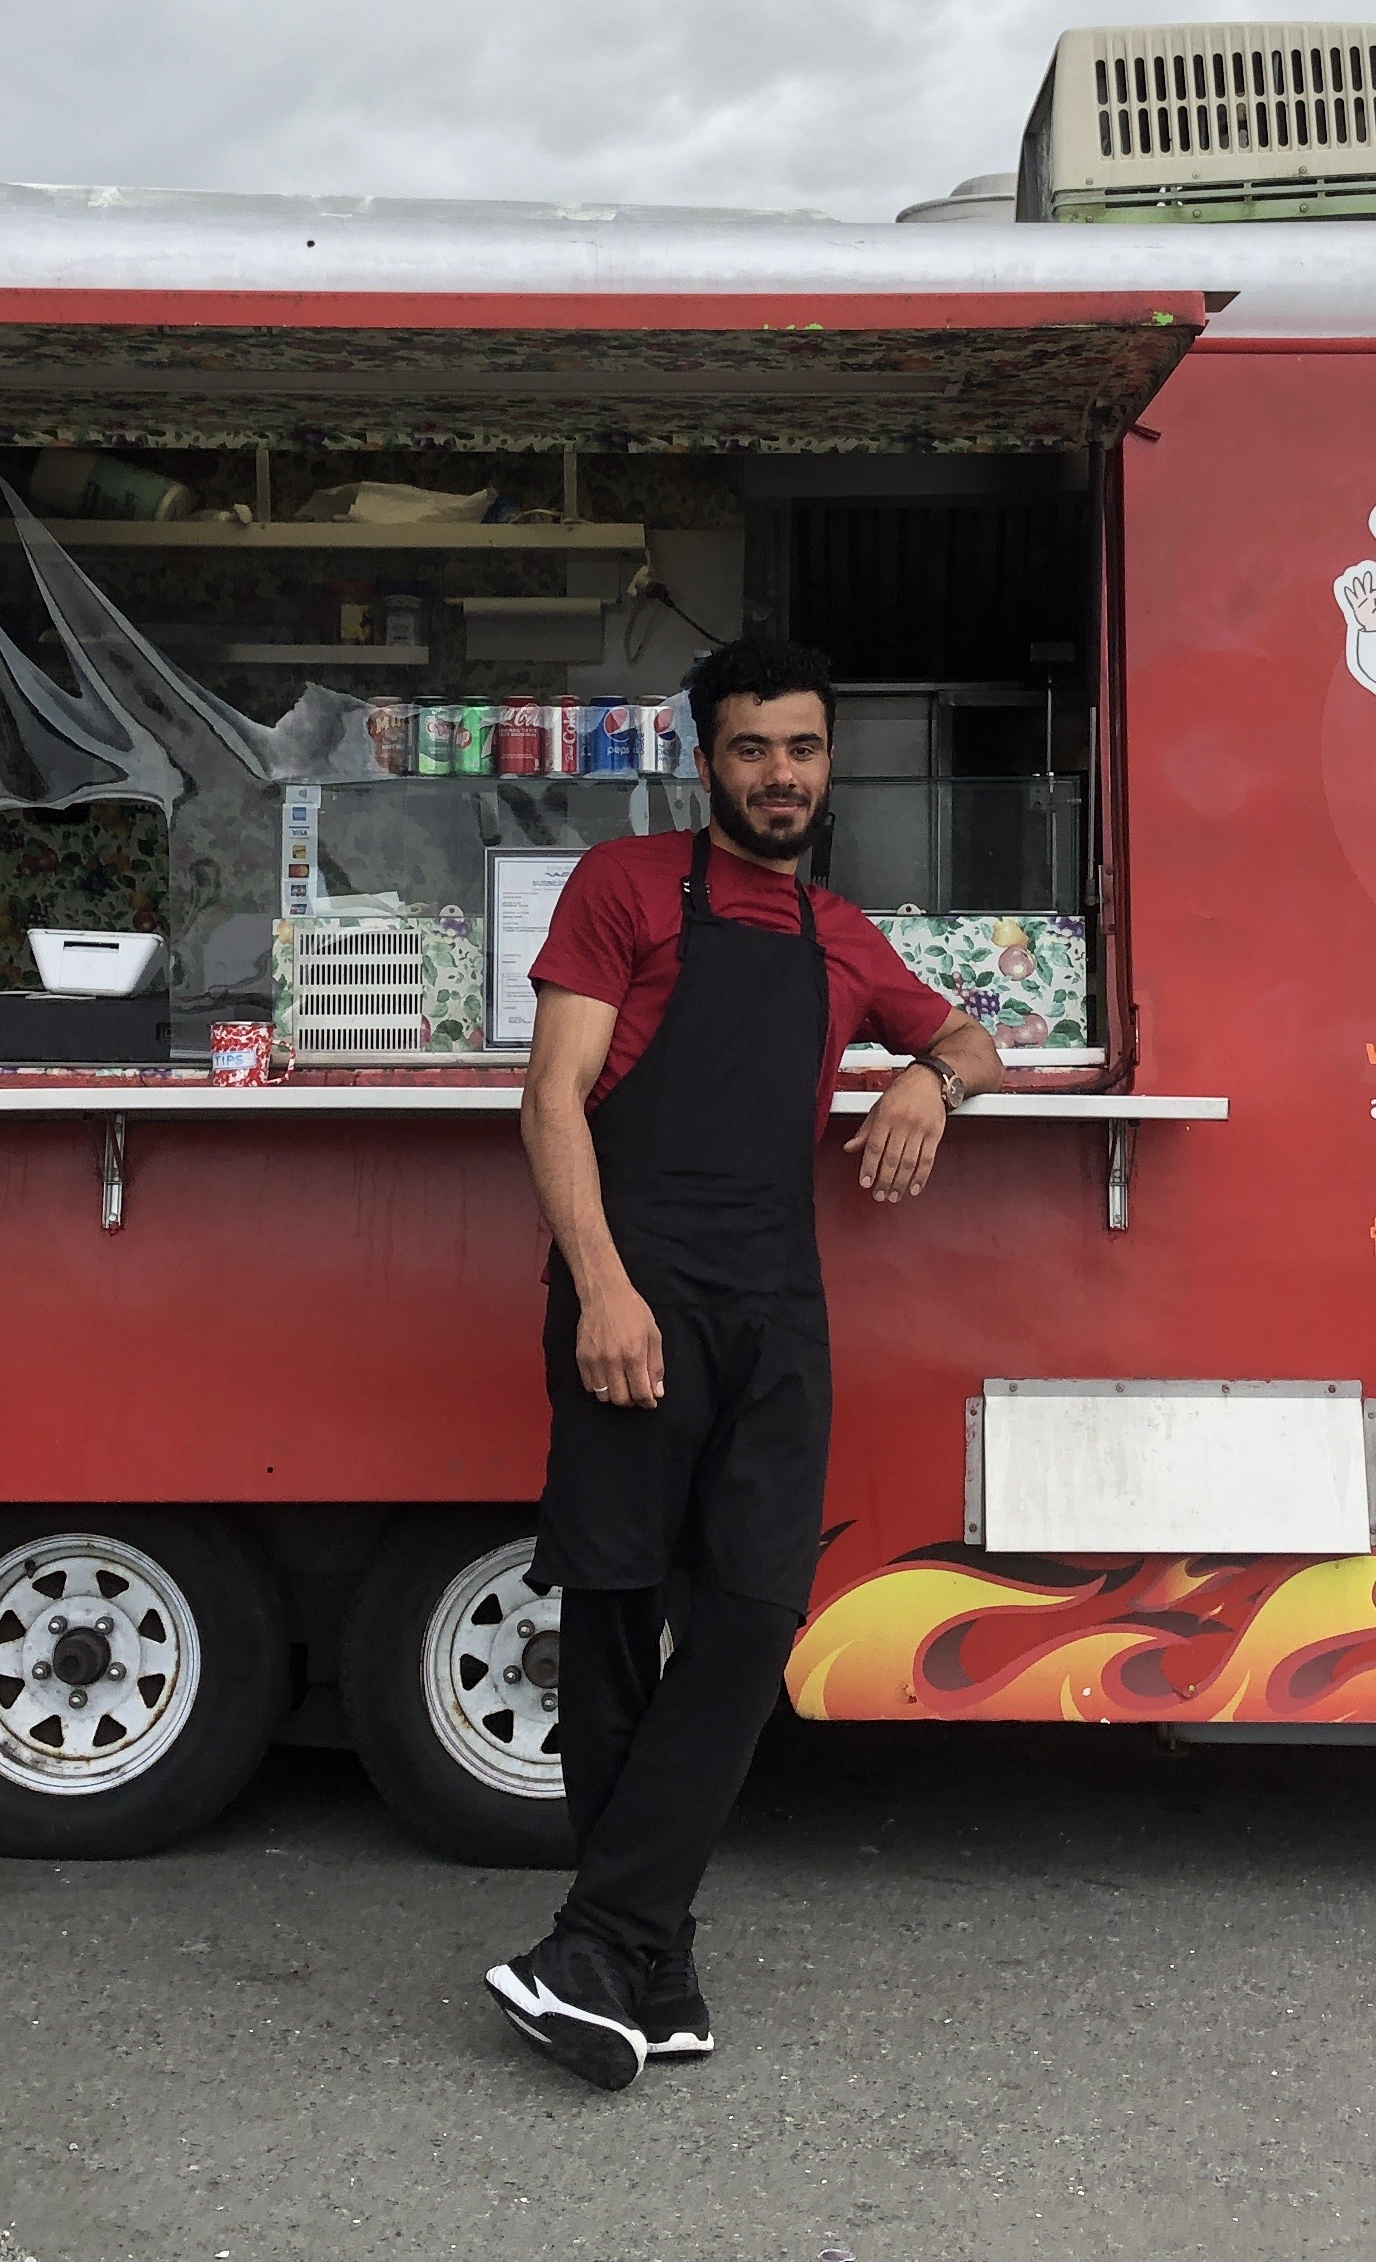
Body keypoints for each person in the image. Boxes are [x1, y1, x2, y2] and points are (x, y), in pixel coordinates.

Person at [483, 633, 1008, 2089]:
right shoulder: (626, 889)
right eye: (751, 748)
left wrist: (928, 1077)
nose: (781, 775)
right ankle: (651, 1958)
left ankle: (606, 1942)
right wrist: (601, 1289)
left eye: (804, 748)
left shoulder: (840, 932)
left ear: (828, 763)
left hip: (777, 1311)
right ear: (705, 759)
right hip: (633, 1298)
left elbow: (977, 1034)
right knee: (612, 1616)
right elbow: (552, 1100)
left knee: (757, 1611)